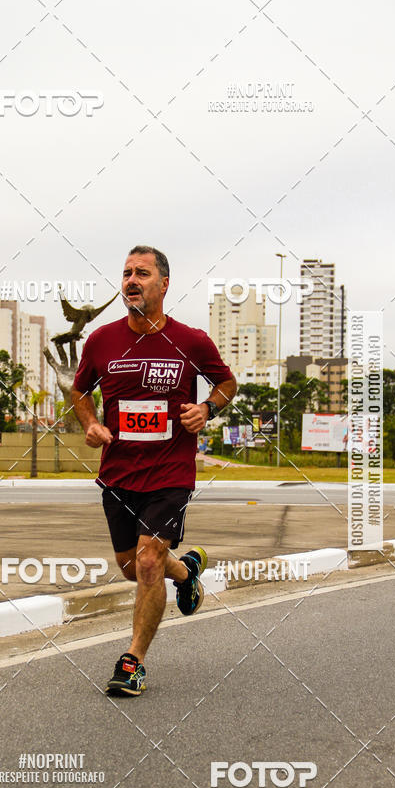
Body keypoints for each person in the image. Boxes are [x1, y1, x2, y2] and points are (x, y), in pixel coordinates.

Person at [71, 245, 237, 695]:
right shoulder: (101, 340)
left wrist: (206, 408)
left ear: (164, 284)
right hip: (119, 474)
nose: (131, 280)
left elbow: (227, 382)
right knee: (131, 567)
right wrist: (90, 423)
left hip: (170, 474)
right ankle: (185, 573)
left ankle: (133, 662)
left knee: (147, 561)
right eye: (126, 273)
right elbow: (79, 389)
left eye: (142, 273)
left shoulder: (191, 340)